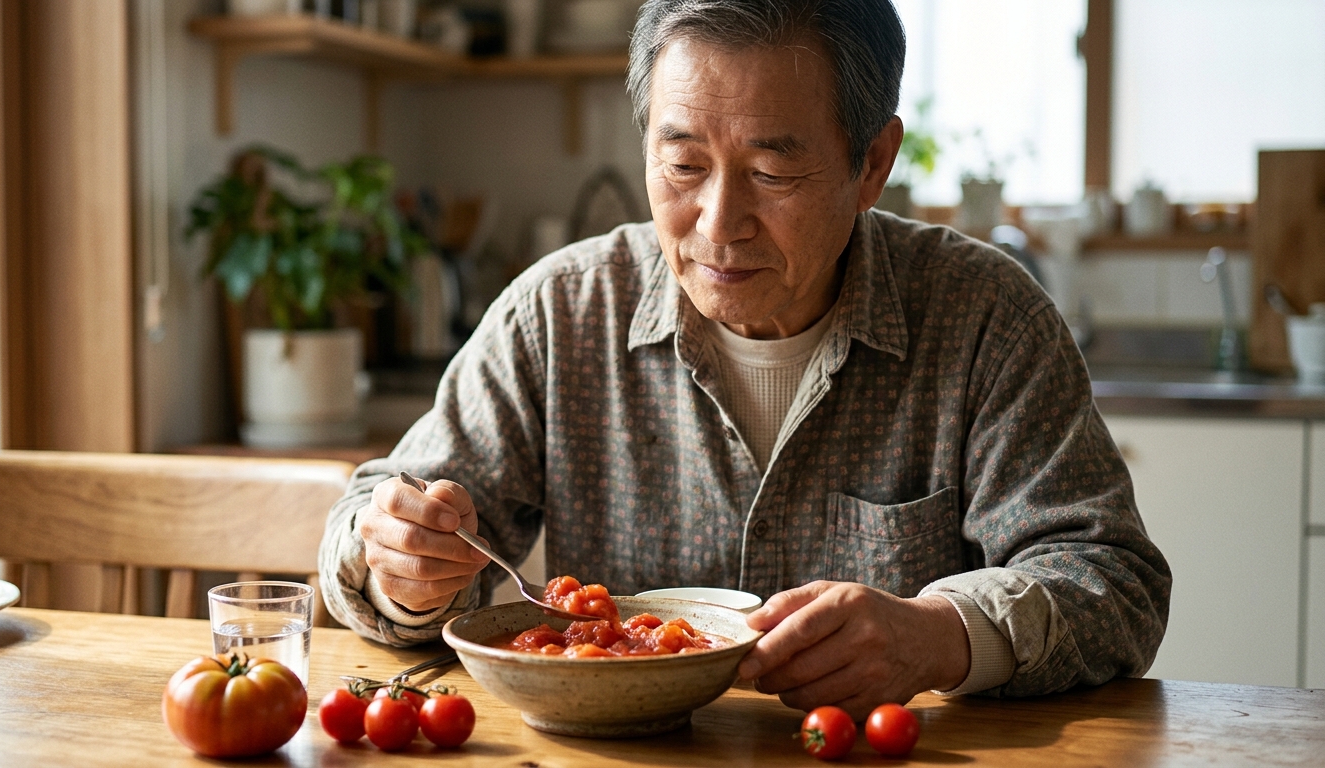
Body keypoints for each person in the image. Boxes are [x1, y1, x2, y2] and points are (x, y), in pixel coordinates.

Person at [320, 0, 1170, 717]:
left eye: (771, 171)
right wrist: (403, 571)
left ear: (871, 162)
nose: (718, 223)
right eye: (682, 163)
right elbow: (371, 520)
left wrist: (942, 635)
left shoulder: (984, 316)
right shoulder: (561, 313)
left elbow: (1113, 581)